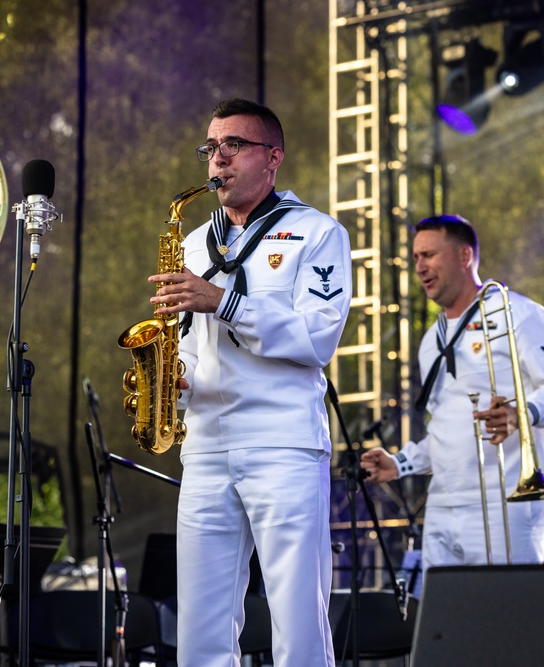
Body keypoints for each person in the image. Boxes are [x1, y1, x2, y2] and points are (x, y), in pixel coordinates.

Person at [149, 98, 351, 666]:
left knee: (297, 616)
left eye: (234, 146)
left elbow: (317, 339)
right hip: (206, 447)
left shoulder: (317, 233)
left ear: (273, 157)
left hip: (282, 444)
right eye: (211, 147)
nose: (218, 159)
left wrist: (224, 301)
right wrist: (173, 376)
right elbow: (189, 341)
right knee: (200, 623)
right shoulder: (192, 243)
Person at [360, 215, 544, 571]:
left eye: (430, 255)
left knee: (509, 617)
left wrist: (519, 414)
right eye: (416, 258)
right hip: (443, 505)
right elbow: (447, 431)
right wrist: (399, 464)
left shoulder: (518, 314)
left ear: (465, 257)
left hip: (505, 503)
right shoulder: (430, 340)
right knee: (446, 622)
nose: (420, 267)